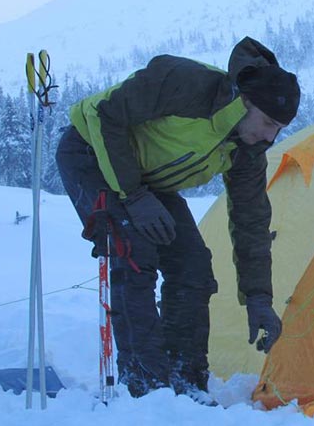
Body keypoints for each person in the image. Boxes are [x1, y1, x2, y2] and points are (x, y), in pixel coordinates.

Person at [56, 36, 300, 400]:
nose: (270, 136)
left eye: (278, 129)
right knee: (133, 251)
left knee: (193, 268)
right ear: (244, 102)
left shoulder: (247, 151)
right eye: (267, 122)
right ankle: (145, 383)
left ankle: (186, 381)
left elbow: (251, 222)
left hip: (147, 181)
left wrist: (258, 298)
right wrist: (134, 196)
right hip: (92, 153)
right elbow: (105, 115)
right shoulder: (184, 83)